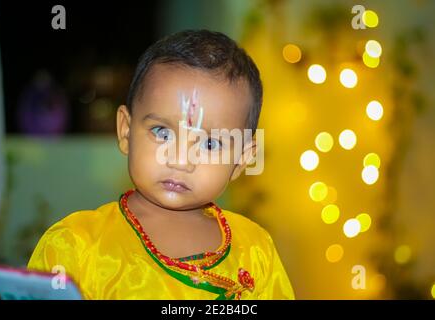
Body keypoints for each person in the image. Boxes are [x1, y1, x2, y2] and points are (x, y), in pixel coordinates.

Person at [27, 30, 294, 300]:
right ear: (126, 131)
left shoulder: (256, 251)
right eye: (162, 133)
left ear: (240, 161)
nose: (179, 160)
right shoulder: (75, 247)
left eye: (210, 144)